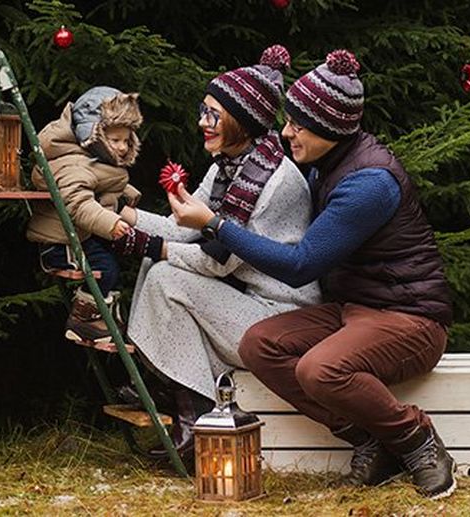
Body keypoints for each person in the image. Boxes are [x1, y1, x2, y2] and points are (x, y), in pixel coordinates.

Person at [167, 49, 456, 499]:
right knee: (260, 344)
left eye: (297, 124)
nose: (285, 132)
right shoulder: (328, 164)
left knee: (320, 370)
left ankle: (418, 441)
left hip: (409, 318)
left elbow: (301, 266)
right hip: (353, 309)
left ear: (330, 126)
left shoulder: (369, 182)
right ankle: (368, 440)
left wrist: (215, 224)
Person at [112, 45, 321, 459]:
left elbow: (217, 261)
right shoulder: (229, 164)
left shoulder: (272, 182)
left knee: (165, 273)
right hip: (244, 301)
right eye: (203, 111)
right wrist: (121, 217)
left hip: (279, 316)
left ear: (240, 121)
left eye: (213, 114)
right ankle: (167, 387)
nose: (202, 123)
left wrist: (148, 244)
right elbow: (182, 228)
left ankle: (197, 415)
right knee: (159, 262)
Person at [26, 86, 144, 344]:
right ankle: (83, 318)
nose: (123, 147)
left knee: (114, 260)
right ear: (93, 134)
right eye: (115, 141)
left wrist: (125, 190)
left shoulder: (89, 155)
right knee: (106, 268)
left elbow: (101, 178)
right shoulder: (71, 164)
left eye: (127, 140)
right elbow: (77, 203)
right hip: (61, 244)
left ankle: (101, 315)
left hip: (82, 236)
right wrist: (110, 221)